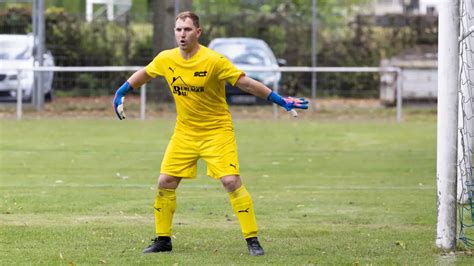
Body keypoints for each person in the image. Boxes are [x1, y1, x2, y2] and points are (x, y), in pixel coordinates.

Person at [113, 11, 308, 256]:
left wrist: (280, 100)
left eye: (187, 29)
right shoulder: (166, 58)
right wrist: (121, 91)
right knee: (166, 181)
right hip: (184, 132)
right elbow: (145, 73)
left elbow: (246, 83)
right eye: (178, 30)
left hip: (217, 132)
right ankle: (163, 240)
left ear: (198, 32)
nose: (182, 34)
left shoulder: (214, 60)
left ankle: (252, 240)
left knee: (231, 181)